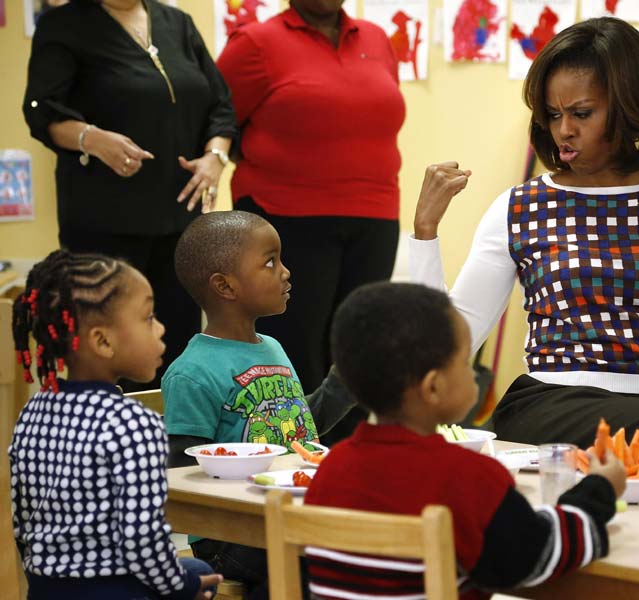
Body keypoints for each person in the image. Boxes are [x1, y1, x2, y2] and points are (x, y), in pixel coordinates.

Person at [409, 17, 639, 468]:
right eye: (553, 115)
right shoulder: (519, 205)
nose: (563, 130)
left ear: (630, 107)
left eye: (581, 113)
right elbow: (449, 344)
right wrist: (425, 234)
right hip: (553, 407)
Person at [304, 282, 626, 599]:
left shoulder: (331, 471)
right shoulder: (469, 477)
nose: (473, 372)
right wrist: (598, 492)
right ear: (433, 388)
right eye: (463, 361)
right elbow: (533, 555)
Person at [22, 0, 238, 389]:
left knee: (178, 354)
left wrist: (215, 157)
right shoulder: (64, 25)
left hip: (180, 223)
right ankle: (117, 444)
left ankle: (178, 446)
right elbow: (43, 114)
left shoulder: (178, 23)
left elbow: (221, 106)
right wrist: (92, 138)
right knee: (113, 352)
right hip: (105, 228)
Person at [9, 250, 222, 599]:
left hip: (45, 587)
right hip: (115, 590)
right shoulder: (134, 424)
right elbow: (143, 540)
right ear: (103, 341)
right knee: (198, 573)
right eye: (148, 318)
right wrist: (183, 587)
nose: (161, 328)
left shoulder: (33, 411)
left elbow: (22, 520)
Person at [216, 0, 405, 391]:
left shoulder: (375, 38)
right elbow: (219, 123)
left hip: (375, 216)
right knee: (296, 350)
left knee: (358, 345)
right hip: (285, 219)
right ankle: (290, 447)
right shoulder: (255, 42)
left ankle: (349, 449)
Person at [163, 210, 319, 599]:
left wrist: (348, 384)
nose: (285, 272)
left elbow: (299, 431)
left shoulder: (273, 348)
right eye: (270, 262)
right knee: (315, 559)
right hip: (229, 534)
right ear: (225, 286)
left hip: (286, 513)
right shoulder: (192, 372)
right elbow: (181, 472)